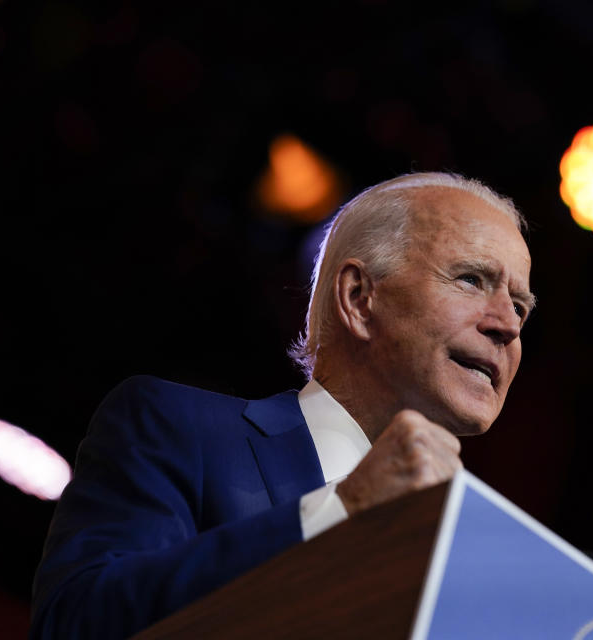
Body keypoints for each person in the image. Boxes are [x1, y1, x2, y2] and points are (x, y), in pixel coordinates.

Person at [29, 172, 535, 639]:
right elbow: (78, 622)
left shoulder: (481, 578)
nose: (508, 326)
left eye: (519, 306)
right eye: (471, 279)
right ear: (359, 298)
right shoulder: (175, 427)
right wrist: (344, 508)